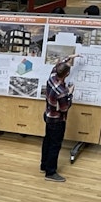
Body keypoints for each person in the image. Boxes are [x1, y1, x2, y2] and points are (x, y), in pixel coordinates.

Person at [41, 54, 79, 183]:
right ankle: (50, 172)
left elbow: (58, 66)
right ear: (67, 74)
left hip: (48, 116)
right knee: (55, 145)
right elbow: (64, 108)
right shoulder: (62, 92)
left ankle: (44, 165)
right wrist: (70, 94)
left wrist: (70, 57)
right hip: (57, 121)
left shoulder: (52, 77)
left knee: (47, 140)